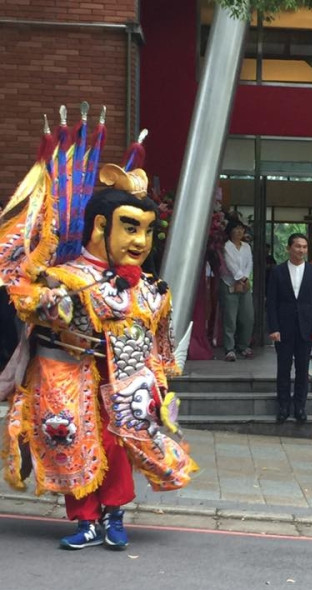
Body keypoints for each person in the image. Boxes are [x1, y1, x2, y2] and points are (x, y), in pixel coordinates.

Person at [0, 118, 196, 550]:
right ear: (100, 228)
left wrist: (159, 387)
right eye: (131, 227)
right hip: (66, 376)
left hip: (122, 381)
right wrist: (52, 304)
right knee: (69, 437)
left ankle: (114, 517)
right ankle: (85, 519)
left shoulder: (148, 288)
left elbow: (157, 342)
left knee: (118, 442)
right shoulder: (63, 277)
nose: (142, 240)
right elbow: (26, 302)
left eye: (147, 229)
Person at [266, 234, 312, 424]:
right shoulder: (278, 271)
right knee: (283, 369)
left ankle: (300, 407)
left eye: (305, 247)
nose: (301, 250)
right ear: (289, 248)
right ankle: (283, 406)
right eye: (298, 246)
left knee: (302, 369)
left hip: (305, 328)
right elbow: (271, 302)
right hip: (283, 328)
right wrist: (273, 327)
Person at [220, 220, 254, 362]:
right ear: (230, 231)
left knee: (247, 317)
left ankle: (243, 345)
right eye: (236, 229)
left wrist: (244, 279)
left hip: (244, 285)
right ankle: (230, 348)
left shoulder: (246, 247)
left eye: (242, 229)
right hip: (230, 283)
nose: (240, 232)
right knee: (230, 318)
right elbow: (230, 263)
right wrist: (239, 278)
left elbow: (249, 263)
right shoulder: (227, 246)